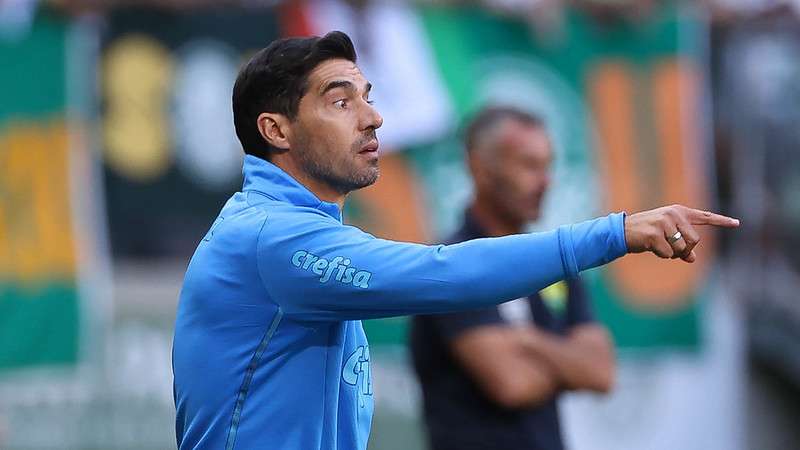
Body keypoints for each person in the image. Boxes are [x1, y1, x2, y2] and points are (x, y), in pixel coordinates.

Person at [171, 31, 738, 450]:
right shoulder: (275, 238)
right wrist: (616, 233)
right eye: (341, 101)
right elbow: (447, 277)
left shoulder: (290, 231)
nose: (373, 118)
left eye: (368, 95)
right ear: (276, 130)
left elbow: (598, 370)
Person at [411, 107, 614, 450]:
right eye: (529, 165)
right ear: (480, 169)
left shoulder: (552, 260)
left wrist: (527, 342)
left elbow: (600, 371)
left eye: (547, 165)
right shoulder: (448, 264)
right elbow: (511, 383)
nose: (545, 181)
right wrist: (565, 359)